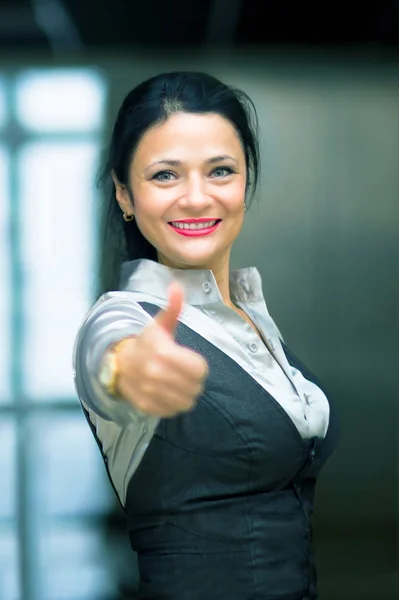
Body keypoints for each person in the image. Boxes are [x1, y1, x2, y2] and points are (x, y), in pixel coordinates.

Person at [73, 71, 339, 600]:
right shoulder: (123, 318)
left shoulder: (250, 314)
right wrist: (126, 371)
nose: (196, 198)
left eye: (220, 170)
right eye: (165, 176)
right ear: (125, 194)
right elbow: (108, 359)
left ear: (246, 181)